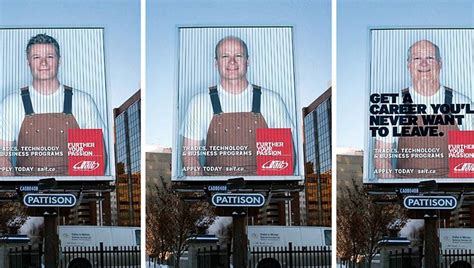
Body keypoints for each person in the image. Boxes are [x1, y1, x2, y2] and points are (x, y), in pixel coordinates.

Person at [181, 36, 295, 176]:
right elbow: (189, 157)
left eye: (238, 55)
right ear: (216, 63)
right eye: (225, 56)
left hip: (263, 194)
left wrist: (268, 194)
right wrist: (206, 192)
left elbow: (284, 158)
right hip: (215, 194)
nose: (232, 61)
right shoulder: (199, 103)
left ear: (248, 61)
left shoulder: (272, 101)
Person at [0, 33, 105, 176]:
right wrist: (14, 193)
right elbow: (2, 157)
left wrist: (77, 194)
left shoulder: (82, 102)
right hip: (26, 194)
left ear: (59, 61)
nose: (44, 63)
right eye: (36, 57)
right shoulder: (11, 103)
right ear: (28, 62)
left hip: (73, 194)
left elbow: (94, 158)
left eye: (50, 57)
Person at [374, 39, 474, 178]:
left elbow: (469, 161)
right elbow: (381, 159)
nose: (423, 63)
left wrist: (459, 195)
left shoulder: (462, 104)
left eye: (430, 58)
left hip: (452, 193)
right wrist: (396, 194)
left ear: (440, 64)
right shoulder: (393, 105)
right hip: (407, 193)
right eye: (417, 58)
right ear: (408, 65)